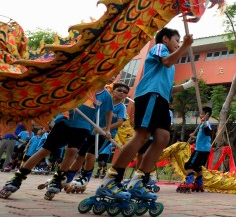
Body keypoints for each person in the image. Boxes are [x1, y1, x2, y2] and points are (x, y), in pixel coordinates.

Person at [97, 28, 195, 203]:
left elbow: (168, 87)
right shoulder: (159, 48)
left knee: (163, 138)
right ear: (165, 39)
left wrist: (188, 85)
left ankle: (139, 181)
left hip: (162, 99)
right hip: (150, 95)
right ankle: (112, 179)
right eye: (176, 40)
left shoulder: (171, 64)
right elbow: (165, 62)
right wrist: (185, 47)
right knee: (142, 136)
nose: (178, 43)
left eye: (180, 41)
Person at [0, 81, 112, 199]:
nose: (111, 77)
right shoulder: (82, 84)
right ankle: (17, 178)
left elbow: (109, 112)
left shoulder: (106, 96)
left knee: (72, 151)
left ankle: (57, 179)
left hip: (83, 127)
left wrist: (107, 129)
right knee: (45, 150)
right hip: (64, 122)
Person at [66, 82, 128, 191]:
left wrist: (104, 129)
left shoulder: (121, 107)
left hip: (105, 134)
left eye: (125, 92)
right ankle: (68, 177)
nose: (121, 93)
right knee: (80, 154)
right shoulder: (105, 100)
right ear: (113, 91)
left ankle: (85, 177)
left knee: (90, 155)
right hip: (92, 130)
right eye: (119, 90)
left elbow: (119, 122)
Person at [181, 106, 213, 192]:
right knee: (197, 167)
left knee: (189, 165)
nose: (200, 115)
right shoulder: (203, 124)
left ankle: (189, 183)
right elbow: (204, 138)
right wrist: (193, 136)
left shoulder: (206, 124)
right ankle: (199, 184)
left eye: (202, 113)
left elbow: (208, 132)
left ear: (207, 115)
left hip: (200, 150)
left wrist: (205, 125)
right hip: (205, 150)